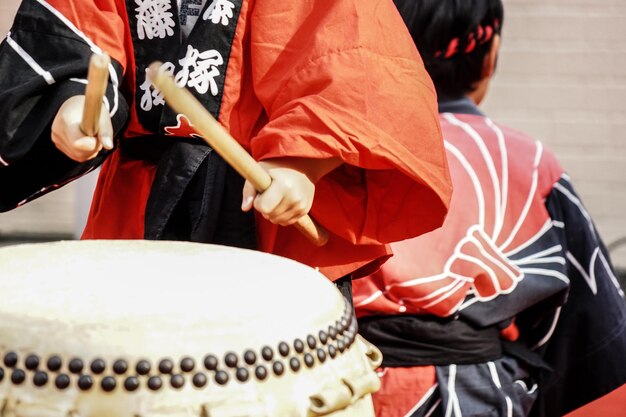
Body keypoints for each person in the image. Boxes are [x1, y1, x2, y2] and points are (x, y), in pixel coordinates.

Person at [0, 0, 452, 287]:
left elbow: (354, 65)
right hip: (138, 211)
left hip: (264, 209)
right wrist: (69, 108)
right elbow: (70, 40)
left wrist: (302, 165)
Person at [352, 0, 626, 416]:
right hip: (478, 396)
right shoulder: (529, 164)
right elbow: (589, 327)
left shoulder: (327, 157)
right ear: (489, 55)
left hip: (339, 388)